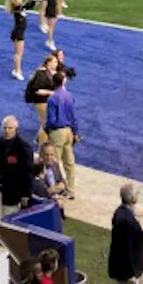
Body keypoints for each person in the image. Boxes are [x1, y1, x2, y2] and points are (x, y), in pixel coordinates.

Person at [108, 183, 143, 284]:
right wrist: (131, 273)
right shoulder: (126, 220)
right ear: (132, 198)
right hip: (126, 271)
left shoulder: (122, 213)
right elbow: (126, 250)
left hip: (123, 269)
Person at [44, 69, 79, 199]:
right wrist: (75, 132)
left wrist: (46, 129)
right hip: (68, 132)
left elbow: (51, 120)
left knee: (53, 162)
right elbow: (73, 116)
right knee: (69, 163)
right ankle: (70, 191)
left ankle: (54, 190)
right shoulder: (69, 96)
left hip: (57, 132)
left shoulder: (52, 98)